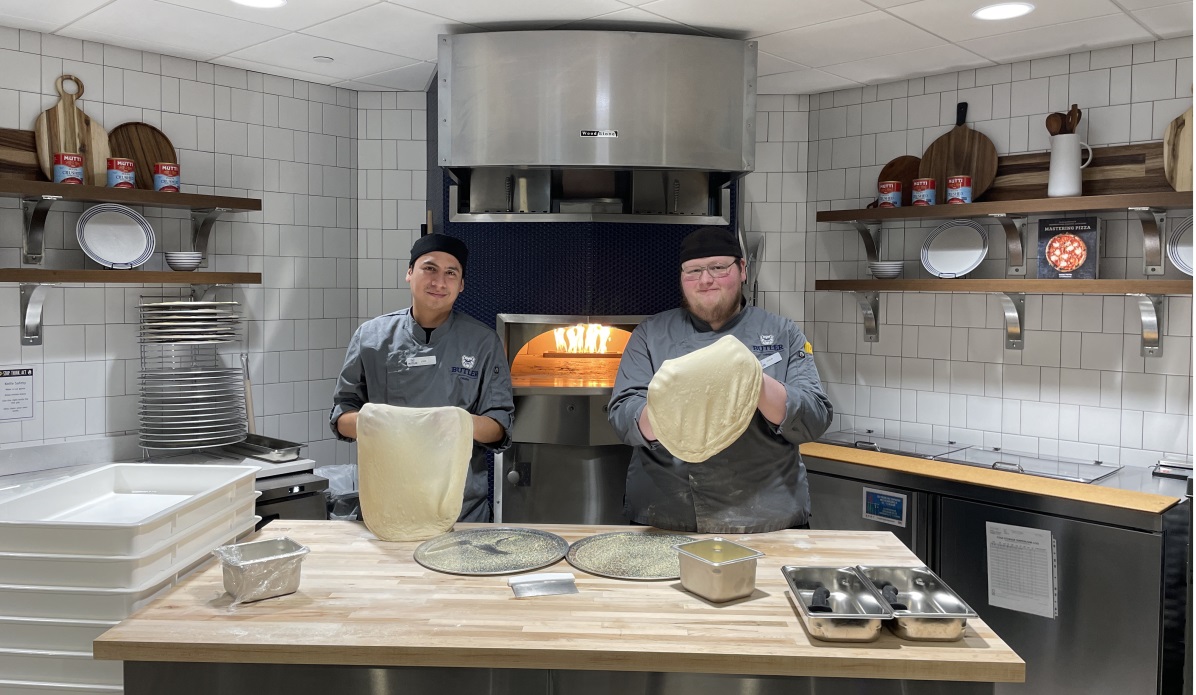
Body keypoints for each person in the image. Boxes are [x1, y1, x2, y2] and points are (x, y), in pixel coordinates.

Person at [607, 227, 833, 533]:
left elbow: (815, 417)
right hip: (668, 516)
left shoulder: (783, 333)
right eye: (694, 270)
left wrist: (754, 381)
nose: (705, 280)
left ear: (742, 270)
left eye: (718, 268)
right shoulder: (649, 335)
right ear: (681, 277)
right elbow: (622, 415)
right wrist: (677, 402)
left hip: (767, 519)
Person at [330, 234, 514, 522]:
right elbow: (341, 417)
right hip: (386, 506)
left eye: (451, 273)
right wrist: (382, 423)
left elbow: (499, 427)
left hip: (460, 510)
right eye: (429, 268)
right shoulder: (371, 337)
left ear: (461, 284)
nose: (439, 282)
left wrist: (457, 422)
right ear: (409, 272)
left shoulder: (482, 342)